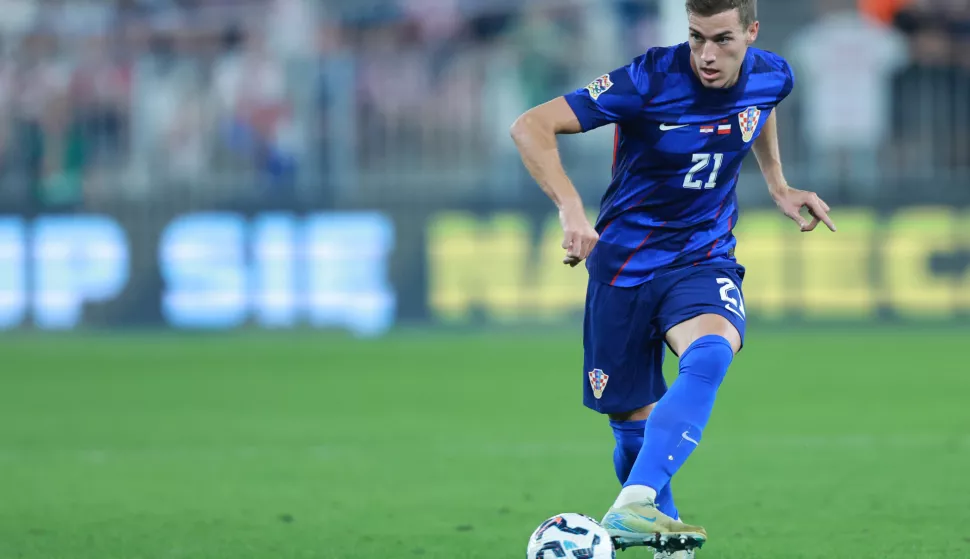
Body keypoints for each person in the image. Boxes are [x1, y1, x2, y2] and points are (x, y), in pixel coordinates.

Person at [509, 0, 836, 555]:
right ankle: (664, 531)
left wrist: (778, 184)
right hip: (625, 264)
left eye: (723, 40)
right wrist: (571, 209)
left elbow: (760, 109)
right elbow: (530, 125)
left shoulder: (773, 74)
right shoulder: (648, 78)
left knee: (711, 351)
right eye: (696, 37)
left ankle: (634, 503)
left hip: (702, 255)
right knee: (630, 424)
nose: (706, 54)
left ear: (752, 33)